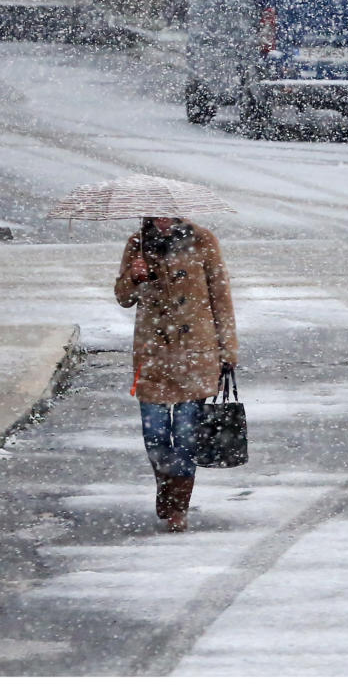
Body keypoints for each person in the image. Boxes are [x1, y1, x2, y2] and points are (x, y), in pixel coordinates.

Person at [115, 216, 238, 532]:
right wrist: (134, 275)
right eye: (156, 213)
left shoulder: (203, 240)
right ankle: (168, 487)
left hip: (196, 353)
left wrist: (227, 351)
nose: (162, 218)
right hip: (153, 356)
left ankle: (177, 508)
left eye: (167, 211)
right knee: (155, 436)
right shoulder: (137, 244)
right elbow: (123, 297)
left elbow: (220, 298)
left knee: (184, 436)